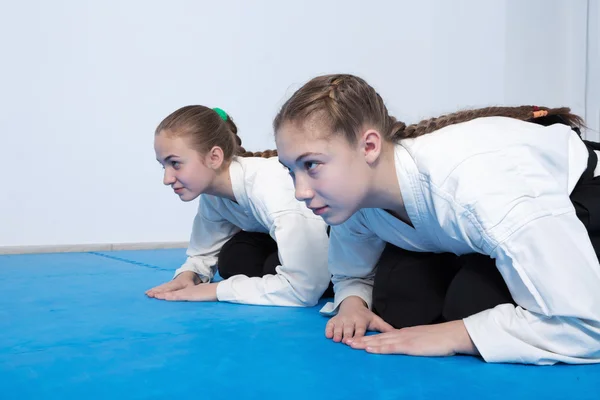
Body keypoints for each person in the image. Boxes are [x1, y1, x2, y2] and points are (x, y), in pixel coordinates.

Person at [274, 73, 600, 364]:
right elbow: (351, 272)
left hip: (581, 191)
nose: (300, 191)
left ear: (369, 146)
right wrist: (353, 303)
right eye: (291, 170)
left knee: (470, 304)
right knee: (401, 302)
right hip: (485, 224)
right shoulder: (353, 200)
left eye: (312, 165)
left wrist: (456, 335)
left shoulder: (476, 183)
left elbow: (585, 323)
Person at [146, 105, 331, 307]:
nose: (167, 178)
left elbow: (304, 289)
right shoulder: (212, 196)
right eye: (163, 165)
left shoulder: (271, 188)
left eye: (175, 163)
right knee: (235, 258)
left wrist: (216, 290)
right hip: (282, 237)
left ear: (214, 157)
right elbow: (202, 253)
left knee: (272, 266)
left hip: (332, 239)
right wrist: (188, 276)